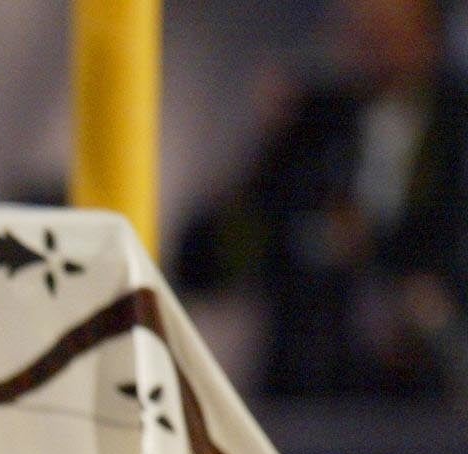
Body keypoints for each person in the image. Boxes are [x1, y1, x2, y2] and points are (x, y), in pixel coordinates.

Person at [176, 0, 468, 399]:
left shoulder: (454, 131)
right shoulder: (311, 127)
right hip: (308, 391)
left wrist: (384, 254)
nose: (373, 43)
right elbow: (207, 261)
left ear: (429, 37)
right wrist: (262, 149)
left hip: (429, 403)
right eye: (361, 28)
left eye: (391, 29)